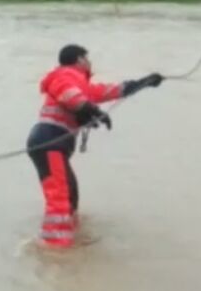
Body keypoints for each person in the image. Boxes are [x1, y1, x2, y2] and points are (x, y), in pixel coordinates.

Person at [29, 44, 162, 248]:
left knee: (70, 192)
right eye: (87, 58)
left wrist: (143, 83)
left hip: (51, 144)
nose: (90, 63)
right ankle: (56, 251)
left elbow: (108, 91)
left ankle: (67, 240)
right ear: (79, 60)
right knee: (60, 197)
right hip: (50, 143)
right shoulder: (65, 74)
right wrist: (90, 109)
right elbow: (69, 94)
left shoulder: (80, 83)